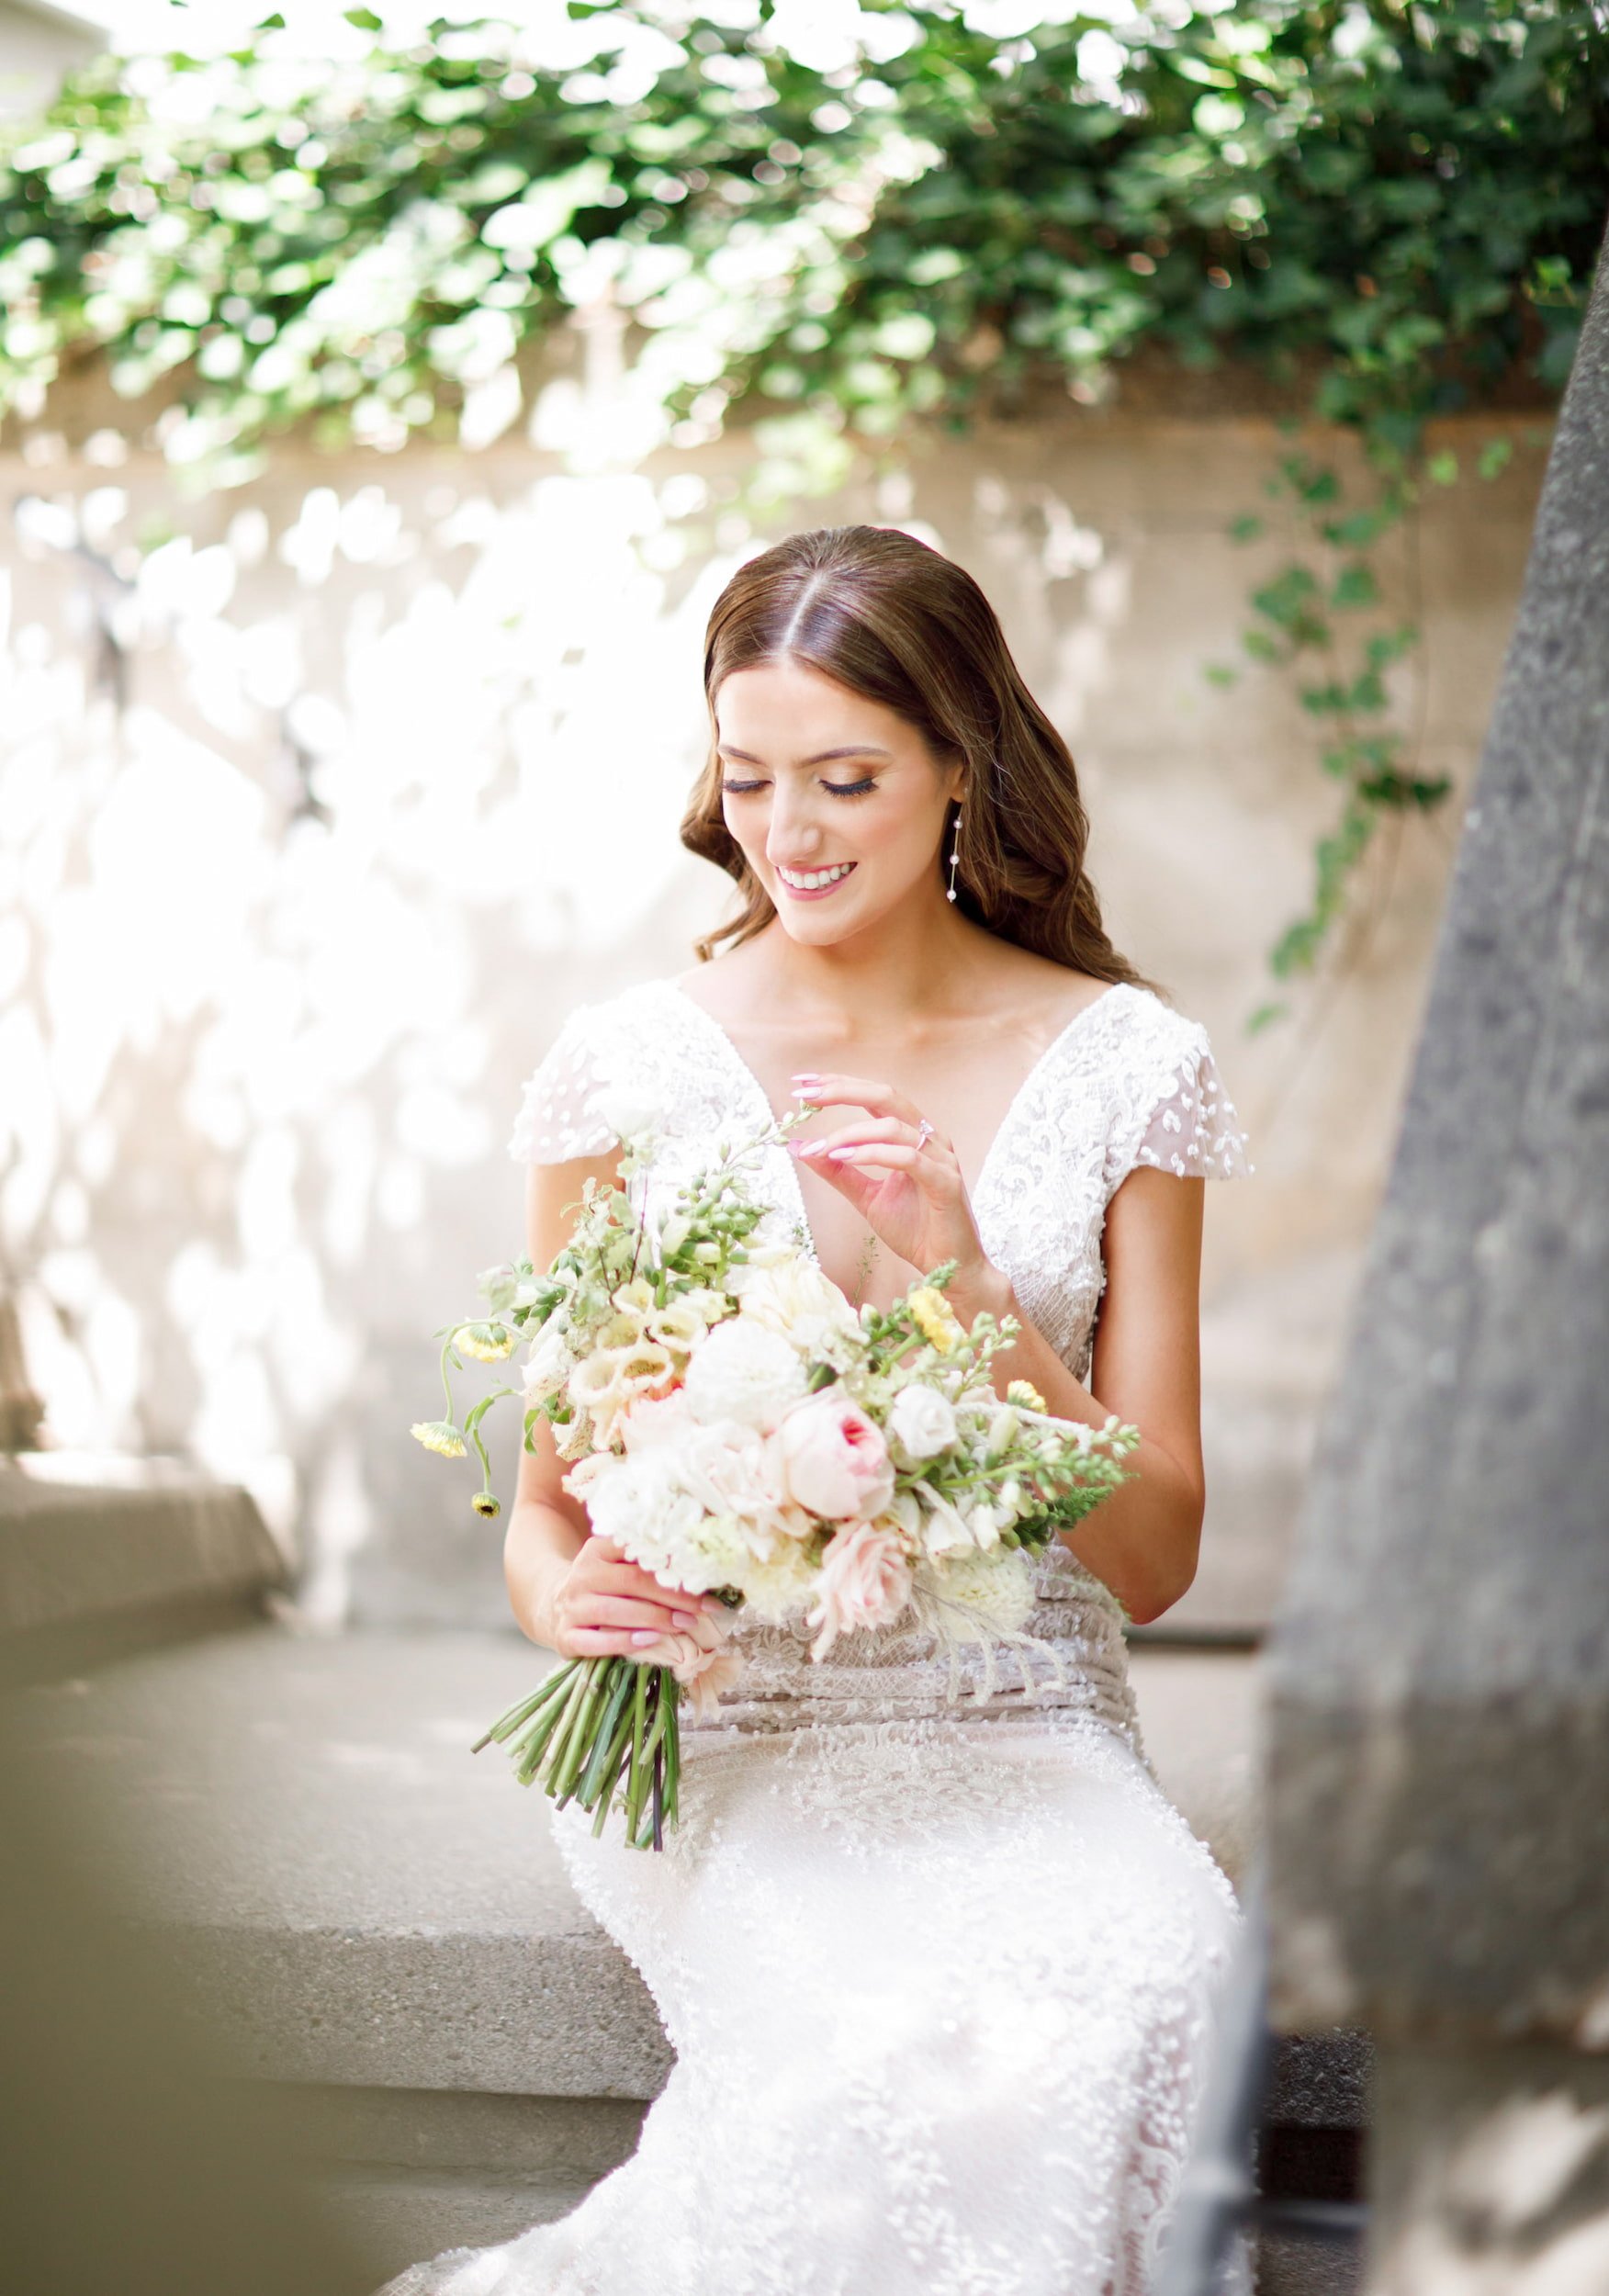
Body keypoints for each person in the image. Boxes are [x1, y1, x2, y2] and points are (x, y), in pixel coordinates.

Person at [385, 523, 1250, 2296]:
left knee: (1154, 1968)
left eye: (847, 779)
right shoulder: (632, 1067)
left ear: (962, 767)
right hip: (724, 1732)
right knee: (869, 2030)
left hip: (1026, 1716)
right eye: (752, 776)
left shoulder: (1128, 1068)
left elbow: (1154, 1554)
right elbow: (549, 1505)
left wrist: (971, 1289)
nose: (790, 831)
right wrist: (571, 1600)